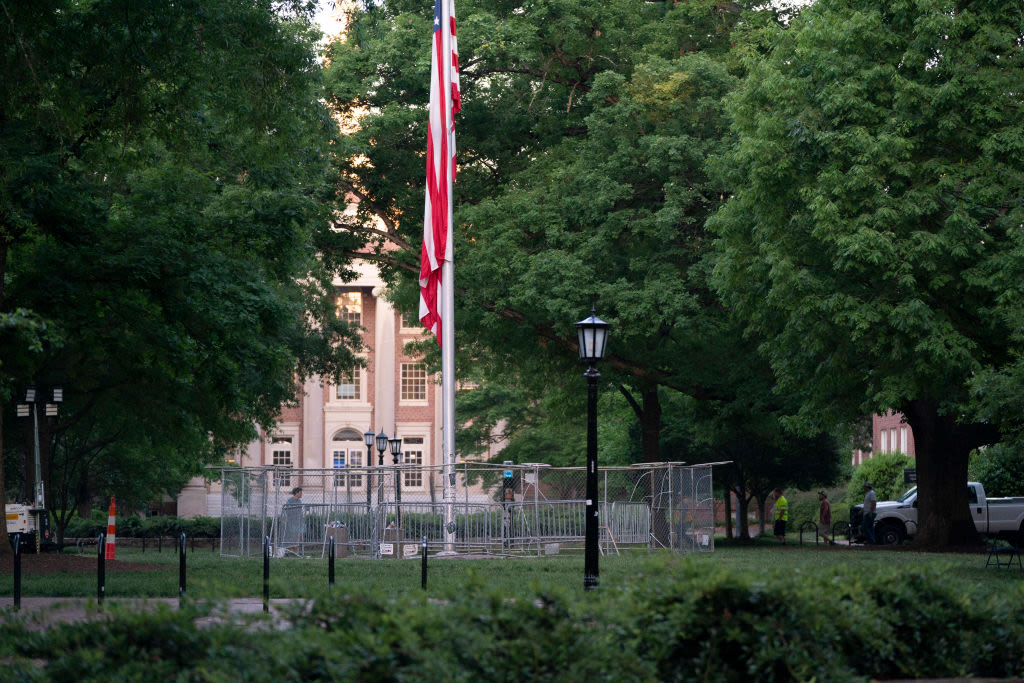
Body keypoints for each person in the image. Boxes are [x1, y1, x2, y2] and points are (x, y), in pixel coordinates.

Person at [283, 486, 304, 553]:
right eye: (300, 493)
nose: (301, 494)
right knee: (292, 536)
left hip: (299, 521)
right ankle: (292, 549)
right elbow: (288, 511)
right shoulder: (290, 501)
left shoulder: (299, 501)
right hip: (292, 521)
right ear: (297, 493)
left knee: (299, 535)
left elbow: (300, 511)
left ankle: (296, 549)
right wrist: (295, 512)